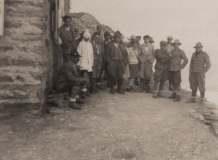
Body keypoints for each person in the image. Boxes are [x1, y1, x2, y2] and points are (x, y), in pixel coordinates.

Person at [77, 32, 94, 96]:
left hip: (89, 64)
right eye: (86, 38)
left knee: (88, 78)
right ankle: (83, 92)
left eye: (88, 38)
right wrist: (79, 63)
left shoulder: (90, 44)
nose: (87, 39)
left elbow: (92, 55)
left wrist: (91, 63)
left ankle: (86, 91)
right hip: (83, 64)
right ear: (84, 38)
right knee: (84, 77)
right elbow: (79, 54)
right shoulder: (81, 44)